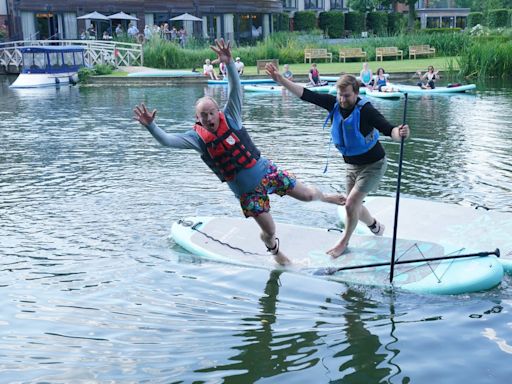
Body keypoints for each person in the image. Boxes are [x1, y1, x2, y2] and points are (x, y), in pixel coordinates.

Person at [133, 39, 345, 265]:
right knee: (270, 230)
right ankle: (275, 252)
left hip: (266, 172)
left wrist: (230, 63)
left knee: (309, 196)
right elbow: (167, 141)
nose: (208, 118)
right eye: (203, 116)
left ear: (218, 111)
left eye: (211, 113)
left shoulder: (232, 115)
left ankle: (327, 197)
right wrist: (151, 126)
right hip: (248, 193)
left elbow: (235, 87)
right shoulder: (196, 139)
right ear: (198, 118)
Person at [266, 62, 410, 257]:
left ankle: (343, 242)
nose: (342, 99)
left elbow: (388, 129)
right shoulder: (333, 103)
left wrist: (399, 133)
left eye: (347, 95)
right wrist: (281, 80)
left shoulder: (366, 110)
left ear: (356, 93)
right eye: (340, 95)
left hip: (373, 165)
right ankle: (376, 227)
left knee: (350, 205)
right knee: (353, 205)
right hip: (351, 167)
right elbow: (306, 94)